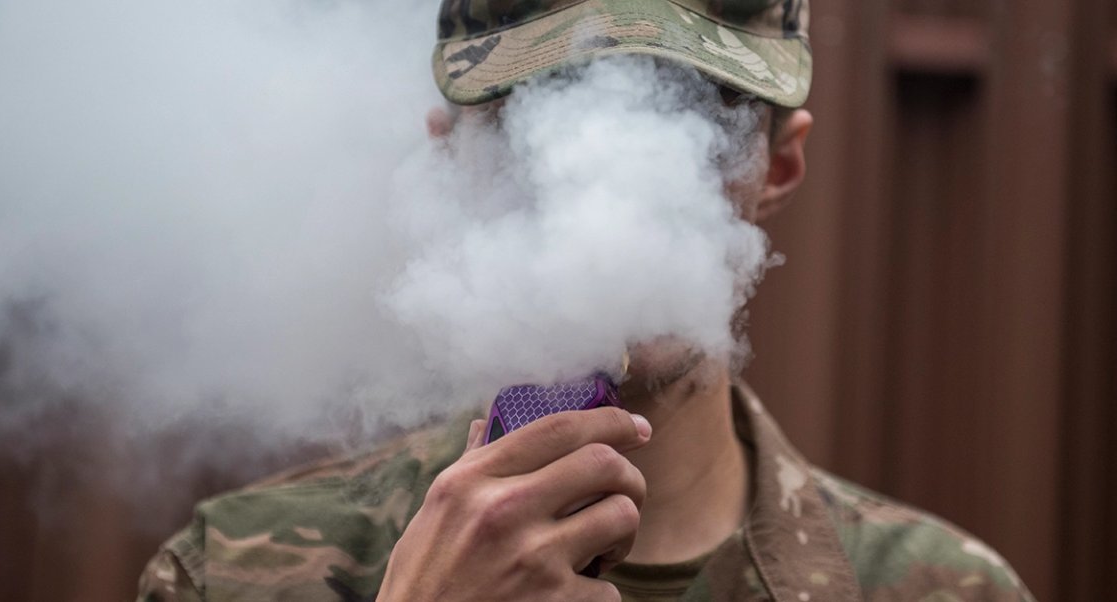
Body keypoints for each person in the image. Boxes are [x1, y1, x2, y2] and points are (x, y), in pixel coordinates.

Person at [137, 1, 1035, 600]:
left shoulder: (947, 592)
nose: (611, 186)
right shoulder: (234, 575)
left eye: (692, 112)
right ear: (452, 159)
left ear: (780, 167)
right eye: (537, 107)